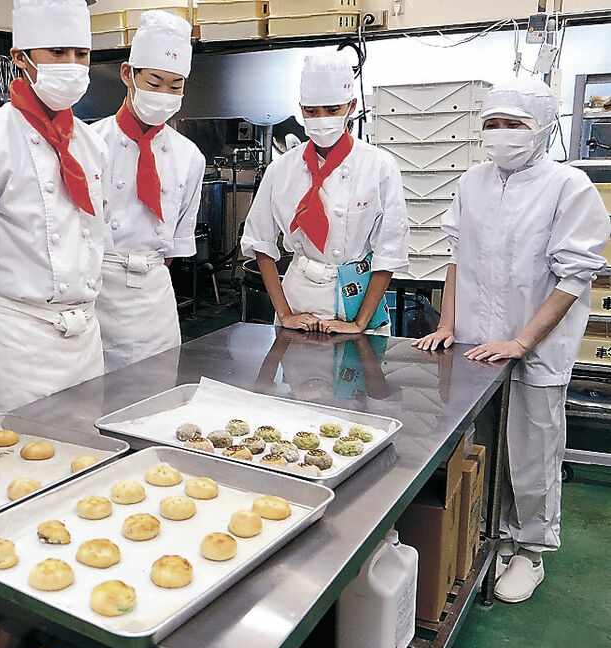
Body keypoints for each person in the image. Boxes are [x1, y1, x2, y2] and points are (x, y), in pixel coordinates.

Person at [414, 78, 610, 603]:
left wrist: (522, 343)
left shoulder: (569, 187)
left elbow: (574, 277)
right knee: (481, 443)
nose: (501, 136)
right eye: (493, 125)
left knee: (531, 450)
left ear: (542, 127)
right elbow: (457, 257)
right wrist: (447, 325)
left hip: (537, 349)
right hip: (476, 345)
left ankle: (530, 550)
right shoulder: (472, 182)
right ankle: (490, 534)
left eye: (514, 125)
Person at [0, 0, 107, 415]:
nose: (71, 65)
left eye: (80, 54)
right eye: (57, 53)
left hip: (85, 336)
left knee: (87, 458)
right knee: (13, 462)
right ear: (21, 58)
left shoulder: (91, 145)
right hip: (15, 341)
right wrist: (1, 323)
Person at [241, 51, 409, 335]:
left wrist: (359, 324)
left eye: (332, 111)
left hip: (356, 299)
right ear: (301, 109)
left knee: (358, 378)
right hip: (299, 298)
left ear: (351, 106)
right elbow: (260, 242)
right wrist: (284, 313)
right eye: (311, 111)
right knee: (297, 377)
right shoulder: (280, 170)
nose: (321, 120)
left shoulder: (379, 166)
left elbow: (388, 251)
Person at [91, 10, 205, 372]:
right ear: (128, 74)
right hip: (96, 295)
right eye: (154, 83)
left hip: (154, 299)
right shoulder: (89, 144)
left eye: (175, 86)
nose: (164, 95)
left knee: (155, 396)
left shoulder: (189, 156)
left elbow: (173, 248)